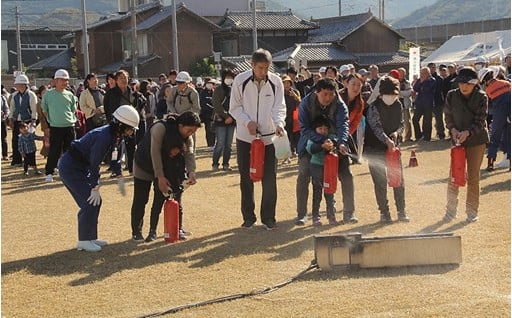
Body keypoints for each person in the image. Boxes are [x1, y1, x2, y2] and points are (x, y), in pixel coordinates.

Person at [58, 105, 139, 252]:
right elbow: (94, 163)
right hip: (70, 167)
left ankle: (91, 237)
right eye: (130, 128)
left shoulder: (117, 136)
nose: (132, 131)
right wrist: (95, 186)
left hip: (81, 167)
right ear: (121, 125)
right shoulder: (104, 136)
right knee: (89, 201)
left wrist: (119, 176)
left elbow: (115, 159)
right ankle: (83, 240)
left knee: (96, 201)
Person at [229, 48, 286, 230]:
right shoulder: (240, 80)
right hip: (246, 138)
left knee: (270, 178)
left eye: (267, 68)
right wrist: (247, 122)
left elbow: (280, 107)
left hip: (269, 138)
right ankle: (248, 217)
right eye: (260, 67)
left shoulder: (276, 82)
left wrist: (279, 123)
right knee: (246, 177)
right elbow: (234, 108)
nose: (264, 72)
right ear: (252, 65)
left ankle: (269, 218)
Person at [130, 111, 201, 242]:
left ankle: (177, 228)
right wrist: (160, 177)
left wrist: (191, 172)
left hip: (167, 167)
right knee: (141, 199)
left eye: (193, 131)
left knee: (173, 199)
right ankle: (137, 231)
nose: (190, 133)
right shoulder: (160, 128)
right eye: (189, 130)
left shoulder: (187, 136)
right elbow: (154, 152)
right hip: (144, 164)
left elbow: (190, 153)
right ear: (180, 125)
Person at [295, 77, 354, 226]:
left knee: (346, 175)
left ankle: (349, 212)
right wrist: (321, 141)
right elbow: (304, 128)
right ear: (317, 92)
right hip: (309, 143)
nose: (328, 98)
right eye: (324, 94)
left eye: (331, 94)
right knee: (303, 175)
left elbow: (343, 125)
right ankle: (302, 214)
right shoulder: (305, 103)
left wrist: (340, 142)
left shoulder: (339, 104)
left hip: (335, 142)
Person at [442, 67, 489, 223]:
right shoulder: (451, 95)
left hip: (476, 140)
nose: (464, 86)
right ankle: (450, 211)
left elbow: (480, 122)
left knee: (473, 177)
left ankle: (471, 211)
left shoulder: (482, 97)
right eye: (461, 82)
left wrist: (467, 132)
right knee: (454, 175)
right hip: (457, 141)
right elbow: (447, 116)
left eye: (468, 83)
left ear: (475, 83)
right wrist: (453, 130)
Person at [364, 76, 408, 223]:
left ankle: (401, 211)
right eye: (388, 94)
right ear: (381, 94)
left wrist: (397, 134)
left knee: (398, 180)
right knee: (380, 182)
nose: (391, 97)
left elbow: (401, 124)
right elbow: (376, 127)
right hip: (374, 148)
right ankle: (384, 212)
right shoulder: (373, 106)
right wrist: (386, 140)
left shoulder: (398, 105)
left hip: (393, 150)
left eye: (393, 95)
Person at [41, 69, 77, 182]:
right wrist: (52, 120)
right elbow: (44, 110)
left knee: (70, 150)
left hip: (69, 126)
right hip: (56, 127)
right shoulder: (48, 94)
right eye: (62, 80)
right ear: (55, 80)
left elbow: (73, 110)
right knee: (54, 150)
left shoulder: (70, 94)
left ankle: (68, 171)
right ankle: (49, 173)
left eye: (66, 80)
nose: (65, 82)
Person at [306, 115, 338, 226]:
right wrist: (322, 146)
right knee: (317, 192)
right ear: (315, 129)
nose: (323, 131)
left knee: (330, 192)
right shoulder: (312, 139)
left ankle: (331, 216)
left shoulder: (331, 137)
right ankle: (316, 216)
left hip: (329, 169)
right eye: (320, 129)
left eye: (325, 128)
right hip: (316, 167)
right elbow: (310, 149)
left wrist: (332, 144)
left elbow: (336, 140)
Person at [478, 67, 510, 171]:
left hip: (498, 115)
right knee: (509, 138)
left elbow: (489, 106)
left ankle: (490, 163)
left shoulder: (488, 90)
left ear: (485, 80)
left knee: (494, 139)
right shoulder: (507, 83)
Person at [8, 74, 38, 167]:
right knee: (16, 141)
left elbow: (34, 109)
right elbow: (12, 108)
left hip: (28, 121)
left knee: (29, 142)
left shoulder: (31, 95)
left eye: (18, 84)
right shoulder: (14, 95)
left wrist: (33, 122)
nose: (17, 86)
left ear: (24, 85)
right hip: (17, 121)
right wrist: (11, 119)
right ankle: (17, 160)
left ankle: (29, 162)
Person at [211, 68, 236, 171]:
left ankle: (226, 163)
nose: (229, 79)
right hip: (220, 120)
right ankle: (215, 163)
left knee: (229, 145)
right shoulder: (218, 89)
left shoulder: (234, 89)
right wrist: (226, 116)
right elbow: (216, 105)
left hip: (232, 119)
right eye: (227, 77)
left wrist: (232, 117)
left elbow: (238, 104)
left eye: (231, 77)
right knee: (220, 143)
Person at [412, 67, 437, 142]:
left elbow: (427, 89)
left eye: (424, 73)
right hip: (419, 103)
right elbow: (415, 88)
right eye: (421, 73)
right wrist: (420, 82)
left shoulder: (432, 80)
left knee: (427, 121)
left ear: (428, 73)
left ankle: (427, 137)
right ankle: (418, 136)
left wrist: (423, 82)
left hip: (428, 103)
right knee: (415, 119)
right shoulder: (420, 80)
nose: (422, 75)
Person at [282, 75, 301, 162]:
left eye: (288, 83)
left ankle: (299, 154)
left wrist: (294, 96)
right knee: (286, 137)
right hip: (285, 118)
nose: (286, 85)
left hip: (294, 118)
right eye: (284, 83)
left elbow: (300, 103)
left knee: (297, 137)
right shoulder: (280, 93)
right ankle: (287, 156)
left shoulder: (295, 92)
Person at [199, 78, 216, 150]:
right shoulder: (202, 93)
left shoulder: (214, 92)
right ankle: (210, 145)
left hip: (215, 115)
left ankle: (214, 144)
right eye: (208, 83)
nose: (210, 85)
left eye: (211, 83)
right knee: (209, 130)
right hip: (207, 115)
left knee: (215, 130)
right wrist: (212, 109)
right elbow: (203, 104)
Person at [397, 67, 413, 142]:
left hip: (405, 104)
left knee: (407, 122)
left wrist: (400, 93)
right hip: (396, 105)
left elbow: (409, 92)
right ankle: (399, 137)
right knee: (398, 122)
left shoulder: (407, 82)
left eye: (403, 73)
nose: (401, 75)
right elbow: (395, 93)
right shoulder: (395, 82)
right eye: (400, 73)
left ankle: (408, 137)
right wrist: (403, 93)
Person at [35, 85, 49, 158]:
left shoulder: (51, 102)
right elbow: (41, 116)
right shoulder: (39, 104)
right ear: (40, 94)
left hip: (53, 124)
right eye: (44, 93)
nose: (46, 94)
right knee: (48, 141)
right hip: (46, 125)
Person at [1, 90, 10, 160]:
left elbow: (7, 109)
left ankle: (5, 155)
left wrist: (4, 115)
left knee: (3, 138)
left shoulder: (2, 98)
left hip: (2, 121)